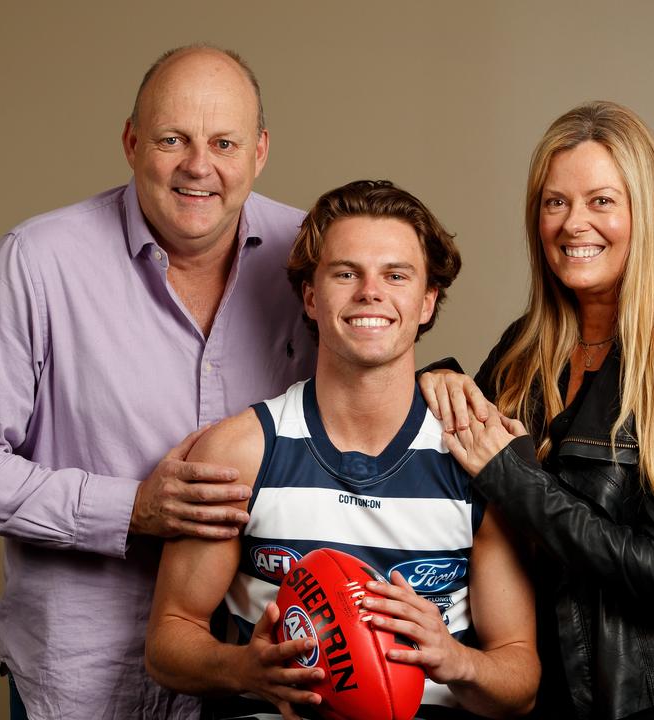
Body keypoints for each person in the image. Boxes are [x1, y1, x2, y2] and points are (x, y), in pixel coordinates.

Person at [0, 45, 316, 719]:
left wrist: (441, 389)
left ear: (261, 150)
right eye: (171, 139)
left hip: (265, 676)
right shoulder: (39, 263)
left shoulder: (311, 254)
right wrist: (129, 509)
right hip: (87, 684)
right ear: (132, 142)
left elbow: (367, 401)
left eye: (224, 142)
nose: (199, 166)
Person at [146, 180, 540, 720]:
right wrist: (244, 670)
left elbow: (520, 680)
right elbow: (169, 641)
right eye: (346, 273)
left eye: (396, 275)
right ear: (311, 295)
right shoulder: (240, 453)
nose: (370, 292)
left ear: (427, 302)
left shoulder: (476, 459)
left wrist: (455, 660)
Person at [421, 101, 654, 719]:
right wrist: (434, 377)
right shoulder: (527, 347)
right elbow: (467, 461)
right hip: (548, 695)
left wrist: (515, 479)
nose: (573, 223)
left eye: (601, 201)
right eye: (555, 203)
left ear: (645, 216)